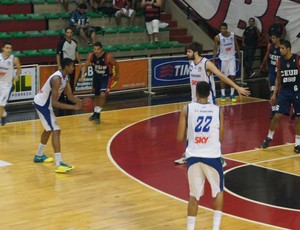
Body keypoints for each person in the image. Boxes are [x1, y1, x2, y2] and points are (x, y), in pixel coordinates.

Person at [174, 41, 250, 164]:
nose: (186, 54)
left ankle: (219, 156)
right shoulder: (191, 63)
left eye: (189, 51)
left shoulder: (206, 64)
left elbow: (221, 76)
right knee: (190, 128)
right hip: (194, 102)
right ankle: (188, 154)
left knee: (212, 130)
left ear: (196, 52)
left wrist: (237, 87)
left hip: (208, 102)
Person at [177, 81, 224, 230]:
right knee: (217, 192)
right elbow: (221, 138)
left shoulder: (187, 109)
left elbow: (179, 137)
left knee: (193, 195)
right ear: (209, 94)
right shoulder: (218, 110)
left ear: (196, 94)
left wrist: (192, 134)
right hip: (212, 156)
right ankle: (215, 228)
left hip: (193, 156)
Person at [33, 58, 82, 173]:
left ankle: (39, 155)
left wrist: (79, 101)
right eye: (72, 66)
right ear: (66, 67)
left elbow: (69, 96)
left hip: (46, 104)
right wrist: (73, 107)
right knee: (56, 130)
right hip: (42, 104)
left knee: (49, 129)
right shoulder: (56, 79)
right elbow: (54, 103)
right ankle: (59, 163)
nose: (73, 68)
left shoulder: (65, 77)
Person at [261, 40, 300, 153]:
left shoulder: (297, 59)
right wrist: (274, 94)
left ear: (288, 49)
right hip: (284, 92)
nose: (280, 50)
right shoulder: (279, 61)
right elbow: (278, 78)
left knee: (298, 118)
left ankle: (297, 144)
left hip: (297, 92)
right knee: (277, 115)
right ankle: (269, 137)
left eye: (282, 48)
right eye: (280, 49)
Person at [80, 41, 119, 124]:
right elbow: (85, 65)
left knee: (102, 94)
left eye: (98, 49)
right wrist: (83, 75)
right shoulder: (91, 55)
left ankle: (97, 114)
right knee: (97, 95)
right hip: (97, 76)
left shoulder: (107, 57)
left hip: (106, 77)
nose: (96, 51)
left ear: (101, 49)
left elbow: (116, 64)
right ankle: (95, 113)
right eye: (95, 49)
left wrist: (117, 74)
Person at [212, 22, 241, 103]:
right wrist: (213, 60)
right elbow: (215, 49)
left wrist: (239, 56)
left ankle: (232, 94)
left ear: (227, 28)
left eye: (224, 28)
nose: (223, 30)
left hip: (232, 58)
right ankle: (223, 94)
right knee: (223, 77)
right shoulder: (218, 37)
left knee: (233, 76)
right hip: (223, 59)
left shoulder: (232, 35)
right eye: (221, 29)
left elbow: (237, 45)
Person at [0, 41, 21, 126]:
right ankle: (3, 113)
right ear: (3, 49)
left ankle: (2, 116)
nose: (8, 50)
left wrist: (17, 75)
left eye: (10, 48)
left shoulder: (14, 59)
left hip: (7, 85)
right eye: (7, 48)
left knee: (1, 104)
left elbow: (19, 69)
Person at [260, 32, 281, 117]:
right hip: (272, 72)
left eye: (273, 38)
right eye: (271, 38)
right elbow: (266, 55)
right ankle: (273, 110)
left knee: (281, 92)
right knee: (272, 91)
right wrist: (263, 64)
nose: (272, 40)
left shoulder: (282, 48)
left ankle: (282, 108)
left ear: (278, 38)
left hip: (280, 73)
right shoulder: (270, 46)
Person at [56, 27, 82, 92]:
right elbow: (58, 55)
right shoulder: (61, 43)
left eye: (70, 33)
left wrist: (80, 62)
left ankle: (70, 97)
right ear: (65, 33)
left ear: (72, 33)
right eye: (68, 33)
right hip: (65, 64)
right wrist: (59, 65)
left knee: (72, 81)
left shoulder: (74, 42)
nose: (69, 34)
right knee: (63, 81)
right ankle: (61, 96)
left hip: (72, 63)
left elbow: (76, 52)